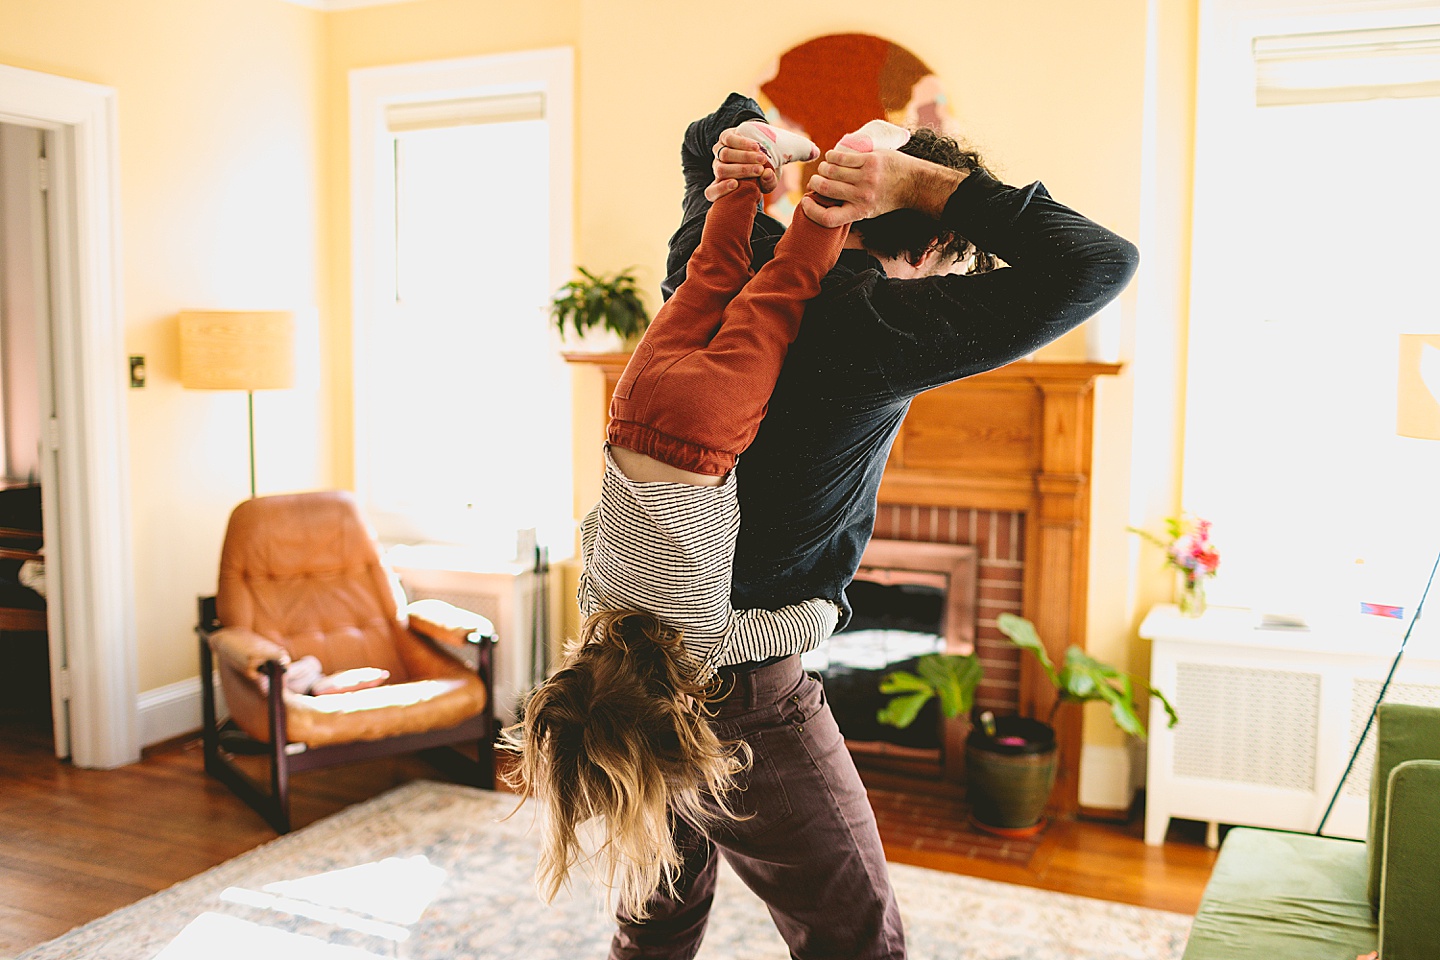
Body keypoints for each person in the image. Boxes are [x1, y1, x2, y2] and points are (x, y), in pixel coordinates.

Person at [594, 93, 1141, 960]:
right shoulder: (885, 320)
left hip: (628, 661)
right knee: (857, 941)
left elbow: (716, 141)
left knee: (655, 924)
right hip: (740, 693)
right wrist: (927, 183)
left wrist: (768, 143)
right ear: (927, 243)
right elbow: (1100, 262)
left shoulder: (732, 257)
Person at [505, 117, 912, 924]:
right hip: (633, 410)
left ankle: (847, 168)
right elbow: (593, 531)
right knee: (713, 271)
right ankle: (749, 164)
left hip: (705, 434)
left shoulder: (695, 649)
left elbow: (782, 625)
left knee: (785, 286)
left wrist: (830, 608)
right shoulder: (596, 608)